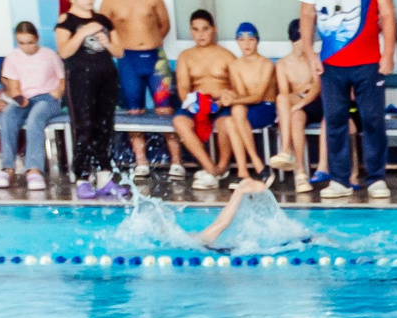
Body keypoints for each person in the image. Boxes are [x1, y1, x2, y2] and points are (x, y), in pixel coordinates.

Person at [298, 0, 397, 199]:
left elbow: (387, 14)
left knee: (372, 119)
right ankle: (340, 179)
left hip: (369, 62)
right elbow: (307, 14)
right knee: (334, 120)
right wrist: (310, 54)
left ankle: (376, 178)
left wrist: (388, 53)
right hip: (331, 63)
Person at [55, 1, 124, 200]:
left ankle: (104, 178)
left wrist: (107, 42)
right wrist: (83, 33)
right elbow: (64, 52)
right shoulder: (66, 20)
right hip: (80, 80)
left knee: (104, 127)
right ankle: (82, 178)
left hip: (107, 78)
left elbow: (119, 52)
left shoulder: (103, 20)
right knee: (83, 127)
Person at [0, 19, 66, 195]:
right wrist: (19, 100)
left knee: (34, 119)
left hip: (48, 99)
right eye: (21, 43)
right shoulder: (13, 58)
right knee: (8, 116)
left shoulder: (49, 55)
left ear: (37, 39)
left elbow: (62, 79)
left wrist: (57, 93)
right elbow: (13, 86)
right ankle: (7, 168)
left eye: (30, 42)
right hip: (25, 98)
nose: (26, 47)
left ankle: (34, 170)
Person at [104, 0, 173, 180]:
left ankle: (177, 162)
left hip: (156, 57)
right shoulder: (109, 2)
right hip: (128, 60)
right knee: (134, 111)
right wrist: (121, 45)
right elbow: (101, 27)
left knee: (165, 109)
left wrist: (150, 41)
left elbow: (165, 25)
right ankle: (141, 162)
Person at [168, 10, 238, 189]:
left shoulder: (227, 55)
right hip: (196, 103)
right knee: (179, 122)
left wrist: (224, 99)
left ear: (213, 30)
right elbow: (183, 87)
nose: (201, 34)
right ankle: (211, 169)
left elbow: (237, 86)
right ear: (191, 31)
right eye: (196, 30)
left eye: (205, 29)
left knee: (226, 123)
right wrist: (194, 104)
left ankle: (223, 167)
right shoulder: (186, 56)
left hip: (221, 104)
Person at [269, 18, 327, 190]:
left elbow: (317, 88)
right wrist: (297, 103)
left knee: (288, 106)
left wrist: (298, 103)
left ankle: (286, 150)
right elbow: (285, 94)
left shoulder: (315, 59)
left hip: (317, 104)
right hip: (299, 106)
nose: (306, 44)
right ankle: (300, 174)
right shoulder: (282, 65)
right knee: (291, 113)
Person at [221, 21, 277, 182]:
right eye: (241, 40)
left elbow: (258, 96)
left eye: (251, 39)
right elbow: (242, 95)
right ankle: (245, 172)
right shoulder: (235, 65)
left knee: (236, 111)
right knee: (232, 120)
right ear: (237, 42)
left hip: (266, 107)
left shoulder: (266, 64)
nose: (246, 44)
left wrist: (231, 101)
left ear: (257, 41)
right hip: (247, 108)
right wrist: (229, 97)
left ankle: (254, 164)